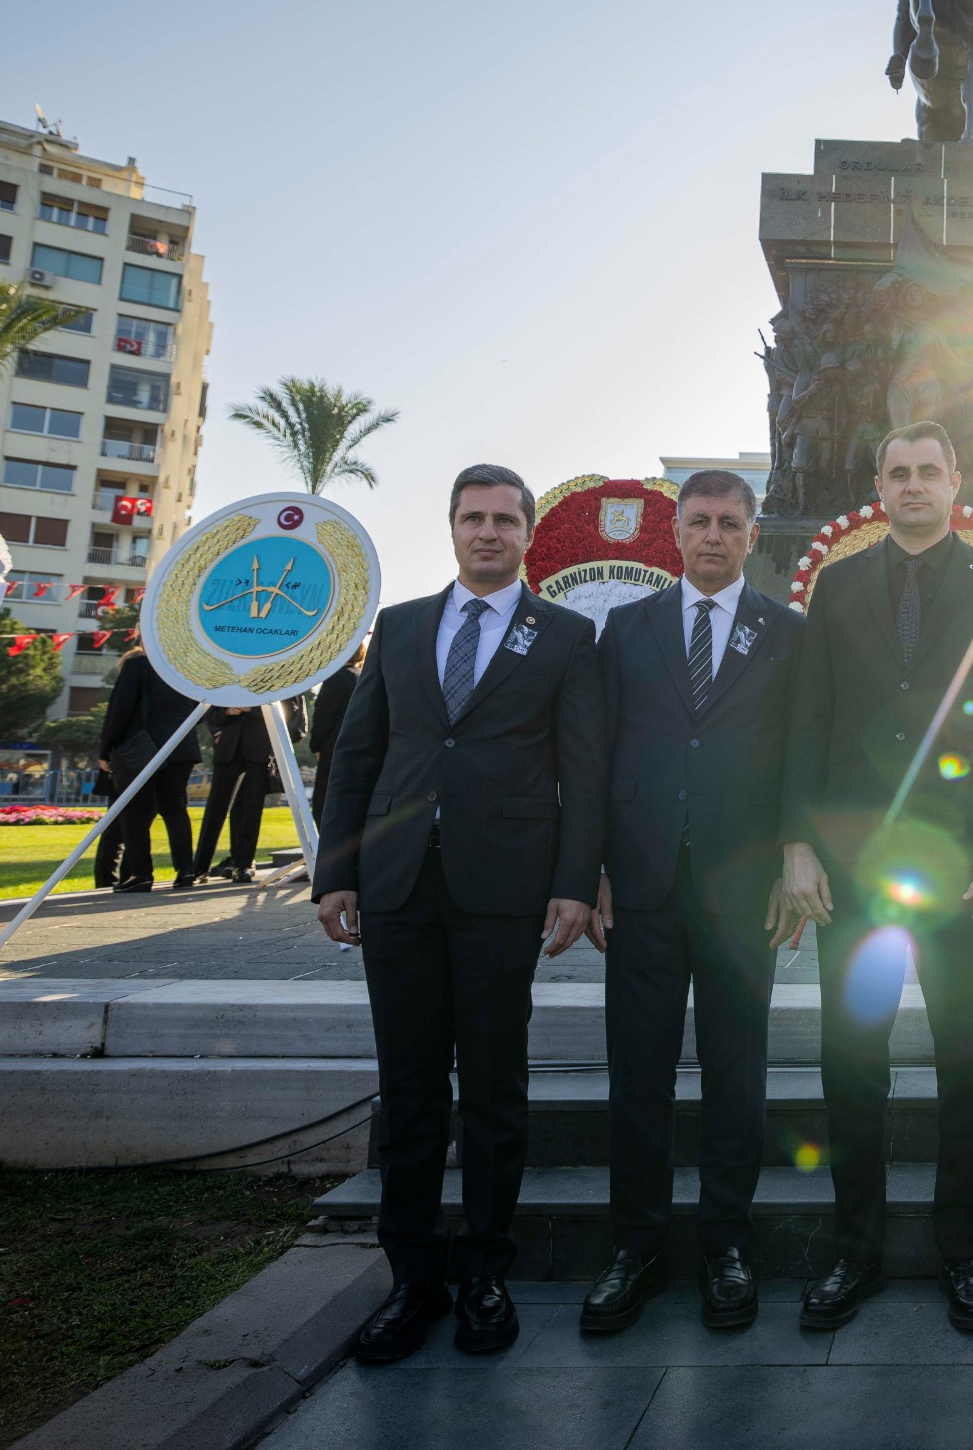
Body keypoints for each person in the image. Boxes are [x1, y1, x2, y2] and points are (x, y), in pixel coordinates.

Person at [315, 465, 601, 1363]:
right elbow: (356, 757)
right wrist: (337, 872)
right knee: (406, 1091)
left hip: (501, 891)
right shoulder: (399, 628)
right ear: (450, 528)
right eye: (473, 517)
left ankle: (483, 1271)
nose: (488, 532)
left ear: (527, 535)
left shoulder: (564, 635)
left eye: (504, 519)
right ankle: (412, 1279)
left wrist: (571, 879)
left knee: (491, 1088)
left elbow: (584, 772)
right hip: (398, 889)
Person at [775, 422, 973, 1333]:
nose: (915, 484)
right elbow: (806, 722)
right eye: (898, 472)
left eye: (930, 470)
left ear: (955, 480)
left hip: (963, 871)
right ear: (880, 486)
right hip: (851, 871)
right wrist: (796, 844)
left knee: (963, 1060)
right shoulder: (839, 584)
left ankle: (962, 1251)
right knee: (852, 1061)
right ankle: (855, 1249)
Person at [578, 471, 802, 1336]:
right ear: (675, 532)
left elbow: (800, 759)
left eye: (730, 523)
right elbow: (596, 757)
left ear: (752, 535)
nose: (714, 535)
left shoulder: (788, 633)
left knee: (736, 1073)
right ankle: (632, 1247)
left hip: (745, 891)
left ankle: (726, 1245)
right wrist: (591, 869)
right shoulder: (626, 628)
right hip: (640, 887)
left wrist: (793, 862)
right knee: (638, 1073)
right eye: (700, 521)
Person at [94, 631, 201, 893]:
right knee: (175, 808)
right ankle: (186, 870)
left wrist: (105, 749)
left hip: (144, 746)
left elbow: (119, 709)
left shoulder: (137, 665)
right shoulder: (184, 668)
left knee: (135, 812)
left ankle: (141, 874)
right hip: (181, 745)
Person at [193, 697, 306, 883]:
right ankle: (199, 867)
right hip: (228, 749)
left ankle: (243, 865)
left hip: (259, 750)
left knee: (251, 810)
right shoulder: (231, 680)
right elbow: (211, 717)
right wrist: (228, 711)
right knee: (215, 810)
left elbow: (290, 711)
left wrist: (253, 707)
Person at [307, 640, 366, 823]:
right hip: (360, 748)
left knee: (324, 802)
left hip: (333, 749)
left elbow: (324, 716)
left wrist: (315, 745)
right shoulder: (363, 677)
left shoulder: (335, 678)